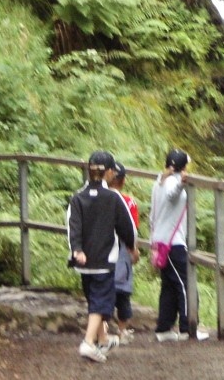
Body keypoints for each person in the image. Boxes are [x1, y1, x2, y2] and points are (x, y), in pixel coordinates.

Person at [66, 150, 137, 362]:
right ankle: (88, 343)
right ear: (108, 173)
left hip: (83, 261)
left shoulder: (77, 198)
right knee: (101, 302)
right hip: (105, 260)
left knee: (93, 299)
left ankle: (103, 339)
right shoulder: (113, 198)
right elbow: (127, 227)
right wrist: (132, 247)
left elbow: (73, 226)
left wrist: (76, 250)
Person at [149, 148, 208, 342]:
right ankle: (187, 328)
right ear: (182, 168)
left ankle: (164, 328)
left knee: (169, 287)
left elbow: (154, 213)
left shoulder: (159, 180)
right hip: (172, 243)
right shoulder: (171, 183)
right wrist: (182, 183)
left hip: (161, 241)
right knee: (185, 284)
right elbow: (172, 196)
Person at [109, 161, 140, 343]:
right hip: (122, 250)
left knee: (104, 291)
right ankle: (121, 331)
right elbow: (132, 229)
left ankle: (102, 330)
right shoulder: (128, 202)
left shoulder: (99, 198)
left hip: (102, 251)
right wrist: (133, 249)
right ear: (123, 180)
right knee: (123, 293)